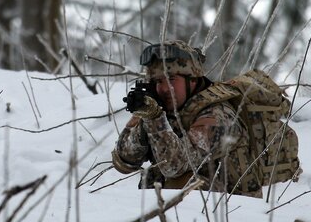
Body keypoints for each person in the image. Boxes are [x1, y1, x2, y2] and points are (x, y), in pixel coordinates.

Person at [112, 40, 264, 198]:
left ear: (192, 80)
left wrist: (155, 120)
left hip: (232, 211)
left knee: (180, 181)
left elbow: (173, 167)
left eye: (171, 79)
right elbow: (124, 161)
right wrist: (145, 122)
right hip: (183, 210)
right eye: (158, 81)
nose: (163, 89)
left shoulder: (219, 115)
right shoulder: (161, 108)